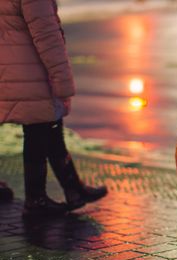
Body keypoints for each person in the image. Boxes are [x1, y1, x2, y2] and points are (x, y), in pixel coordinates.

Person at [0, 0, 107, 217]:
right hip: (30, 70)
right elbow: (48, 38)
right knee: (40, 128)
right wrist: (63, 81)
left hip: (11, 67)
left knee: (49, 125)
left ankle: (73, 189)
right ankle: (36, 200)